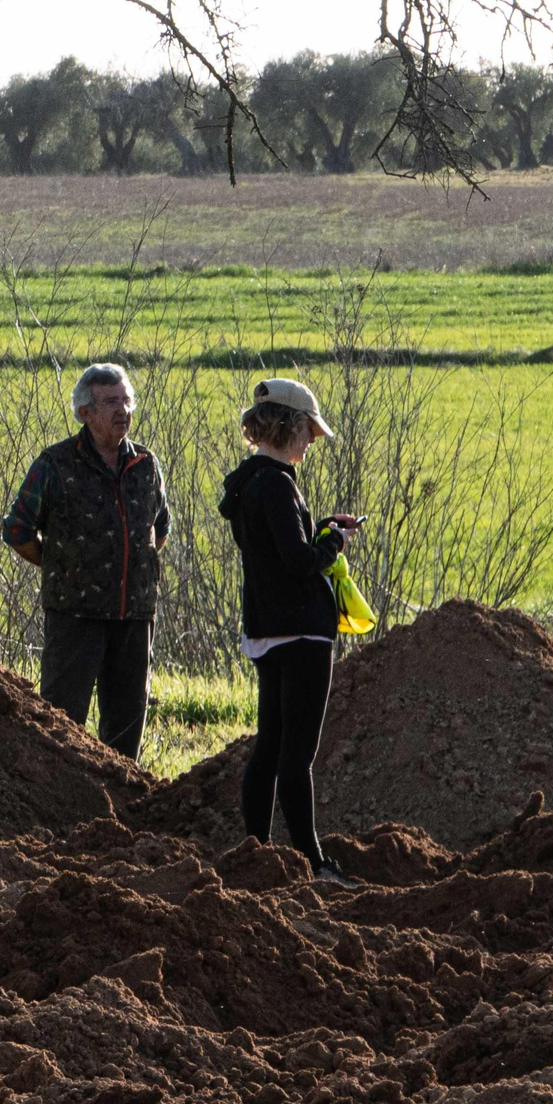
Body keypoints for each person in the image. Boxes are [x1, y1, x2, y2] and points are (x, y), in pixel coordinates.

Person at [218, 378, 361, 886]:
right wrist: (335, 544)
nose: (312, 442)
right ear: (290, 425)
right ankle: (315, 863)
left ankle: (257, 850)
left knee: (270, 746)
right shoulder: (278, 483)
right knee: (297, 755)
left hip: (265, 629)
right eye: (309, 431)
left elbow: (277, 547)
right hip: (302, 632)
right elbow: (299, 561)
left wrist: (319, 528)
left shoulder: (247, 483)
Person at [2, 363, 171, 757]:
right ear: (85, 413)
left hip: (134, 617)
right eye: (111, 402)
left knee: (126, 728)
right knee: (61, 726)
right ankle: (58, 806)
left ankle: (120, 808)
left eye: (127, 400)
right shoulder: (56, 464)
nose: (123, 410)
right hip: (75, 616)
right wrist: (62, 567)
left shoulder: (146, 465)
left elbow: (159, 530)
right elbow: (17, 530)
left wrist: (132, 571)